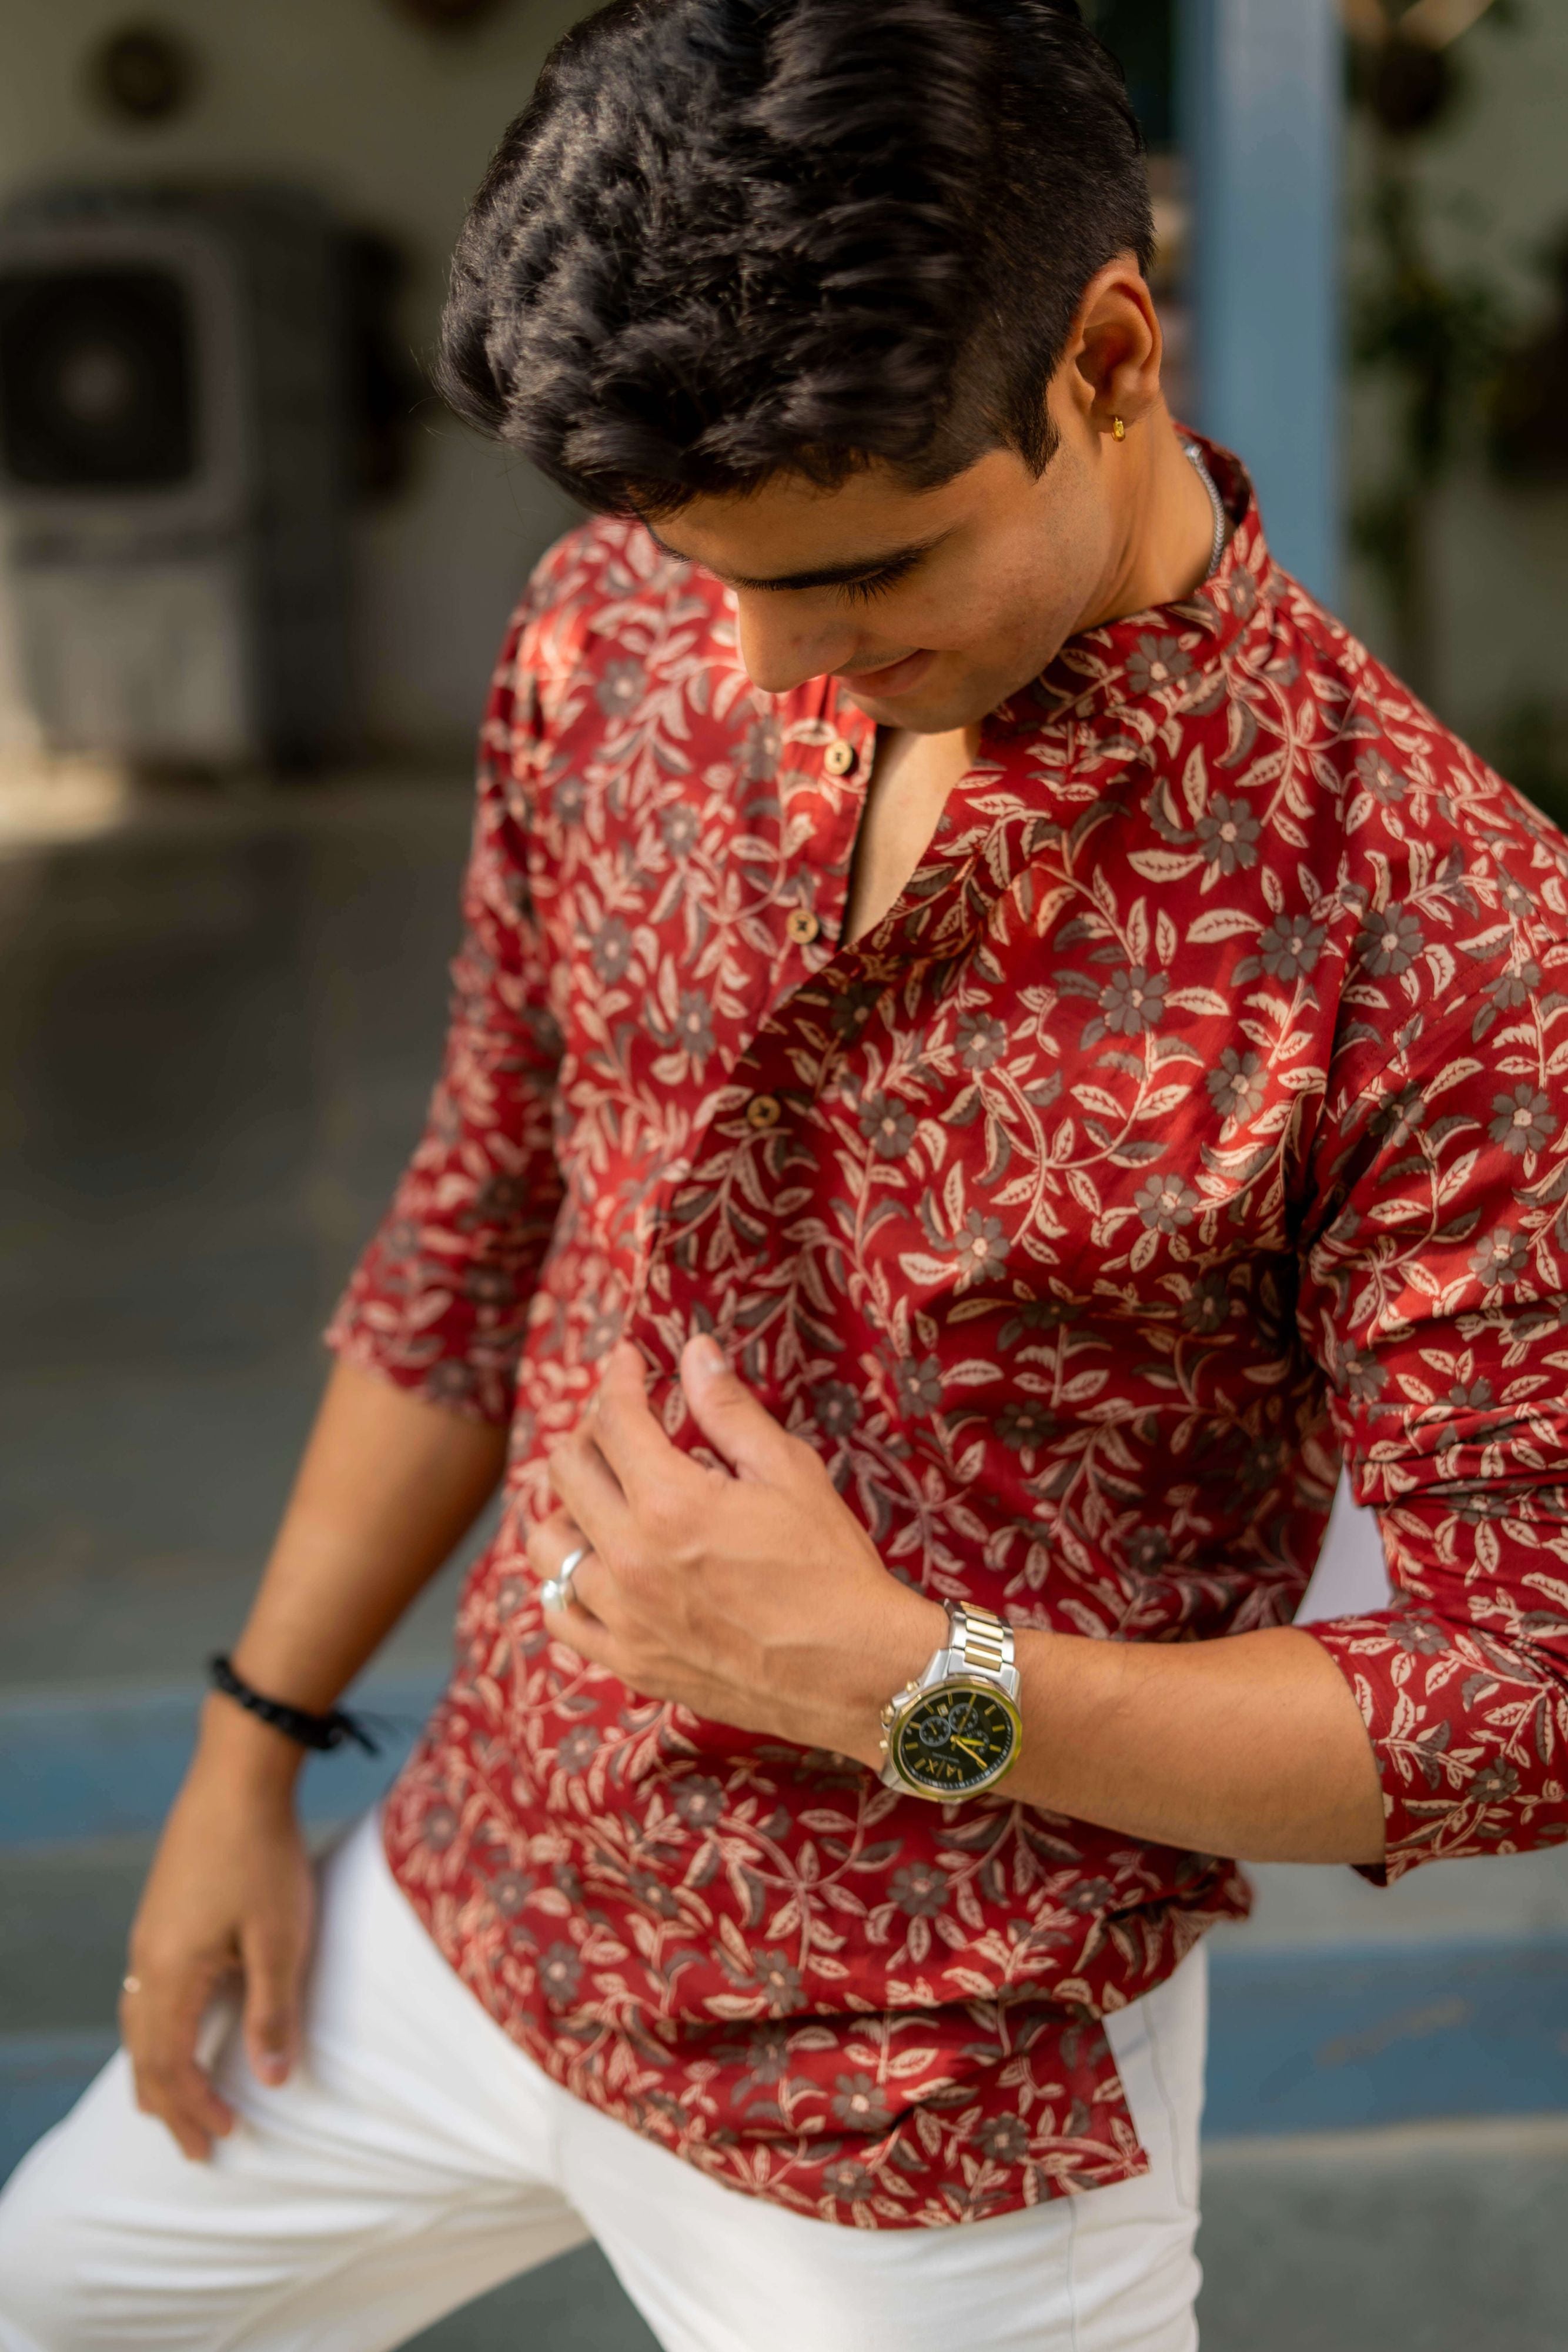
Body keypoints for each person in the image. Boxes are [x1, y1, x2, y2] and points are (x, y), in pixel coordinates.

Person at [4, 1, 1567, 2345]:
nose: (759, 664)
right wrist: (253, 1743)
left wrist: (916, 1684)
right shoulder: (619, 626)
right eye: (707, 572)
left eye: (859, 578)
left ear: (1109, 354)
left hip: (926, 2125)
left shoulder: (1438, 932)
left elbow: (1510, 1690)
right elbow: (482, 1206)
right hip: (456, 1911)